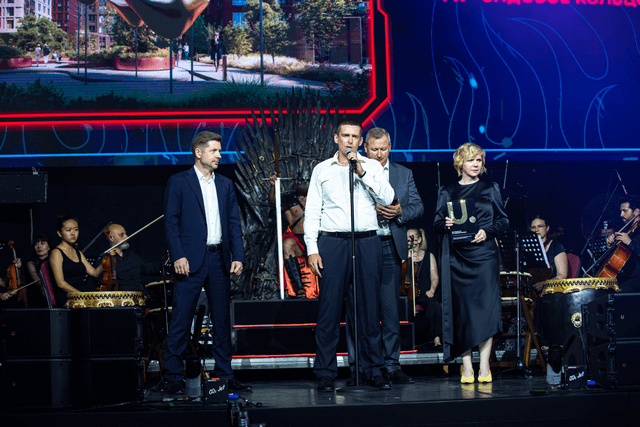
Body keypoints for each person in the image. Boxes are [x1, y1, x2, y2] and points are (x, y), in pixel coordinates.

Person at [305, 119, 395, 392]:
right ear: (336, 138)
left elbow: (388, 198)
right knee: (329, 310)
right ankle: (325, 372)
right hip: (333, 243)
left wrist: (363, 173)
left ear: (360, 141)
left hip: (367, 241)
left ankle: (374, 370)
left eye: (355, 136)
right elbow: (313, 211)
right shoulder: (322, 169)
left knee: (369, 309)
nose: (350, 140)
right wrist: (312, 248)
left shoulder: (371, 167)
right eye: (345, 135)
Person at [164, 131, 248, 394]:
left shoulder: (225, 184)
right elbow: (171, 222)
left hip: (219, 258)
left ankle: (225, 374)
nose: (219, 155)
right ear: (198, 152)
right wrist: (178, 255)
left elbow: (234, 223)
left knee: (221, 321)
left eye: (219, 151)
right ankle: (173, 376)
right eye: (213, 151)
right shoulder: (179, 181)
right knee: (181, 319)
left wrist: (238, 255)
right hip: (190, 260)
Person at [348, 126, 423, 385]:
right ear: (365, 148)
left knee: (390, 311)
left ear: (390, 147)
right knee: (359, 308)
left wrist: (400, 212)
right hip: (362, 246)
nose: (379, 154)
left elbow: (418, 206)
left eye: (384, 149)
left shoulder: (403, 173)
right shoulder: (353, 171)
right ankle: (359, 366)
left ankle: (392, 365)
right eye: (374, 149)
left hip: (390, 246)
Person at [434, 142, 509, 383]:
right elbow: (436, 223)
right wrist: (445, 223)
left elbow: (504, 221)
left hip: (485, 257)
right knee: (463, 312)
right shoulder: (447, 191)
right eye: (471, 160)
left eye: (479, 160)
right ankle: (467, 367)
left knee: (486, 310)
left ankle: (484, 367)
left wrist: (488, 232)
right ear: (460, 163)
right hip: (458, 259)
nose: (476, 164)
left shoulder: (490, 188)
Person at [268, 172, 316, 298]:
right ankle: (299, 287)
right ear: (296, 181)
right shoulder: (289, 198)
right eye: (301, 180)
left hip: (318, 240)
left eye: (307, 180)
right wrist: (273, 185)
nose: (304, 183)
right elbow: (273, 202)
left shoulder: (318, 196)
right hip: (299, 240)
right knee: (287, 244)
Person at [49, 216, 103, 307]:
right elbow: (60, 283)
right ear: (59, 233)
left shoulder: (78, 253)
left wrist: (106, 259)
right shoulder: (56, 253)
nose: (73, 233)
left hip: (81, 294)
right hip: (67, 296)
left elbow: (95, 273)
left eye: (76, 229)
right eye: (68, 230)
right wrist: (81, 295)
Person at [94, 224, 159, 295]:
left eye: (125, 234)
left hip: (140, 297)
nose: (127, 237)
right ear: (111, 238)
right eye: (121, 235)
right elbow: (103, 285)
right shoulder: (104, 260)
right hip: (120, 299)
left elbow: (150, 268)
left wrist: (166, 261)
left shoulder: (132, 256)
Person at [406, 228, 442, 349]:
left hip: (425, 293)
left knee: (433, 304)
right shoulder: (404, 255)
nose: (409, 241)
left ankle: (437, 338)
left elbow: (434, 276)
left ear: (419, 239)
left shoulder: (429, 256)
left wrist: (432, 290)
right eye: (407, 238)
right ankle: (406, 340)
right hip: (409, 294)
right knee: (404, 306)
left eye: (412, 238)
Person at [605, 195, 640, 292]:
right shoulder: (627, 231)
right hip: (626, 277)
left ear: (636, 212)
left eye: (625, 211)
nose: (621, 214)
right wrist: (610, 246)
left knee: (621, 290)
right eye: (621, 211)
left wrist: (630, 242)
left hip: (637, 278)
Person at [530, 216, 568, 292]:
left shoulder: (556, 246)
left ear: (547, 228)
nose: (536, 230)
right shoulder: (528, 247)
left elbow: (562, 275)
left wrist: (545, 284)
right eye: (533, 227)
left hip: (552, 289)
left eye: (540, 226)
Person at [25, 232, 55, 308]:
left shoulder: (54, 260)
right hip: (39, 297)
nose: (39, 247)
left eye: (43, 243)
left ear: (49, 246)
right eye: (36, 244)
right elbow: (39, 283)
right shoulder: (31, 263)